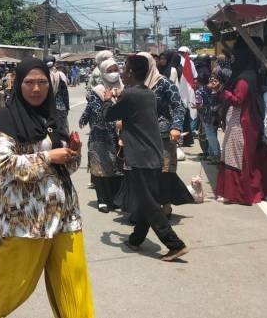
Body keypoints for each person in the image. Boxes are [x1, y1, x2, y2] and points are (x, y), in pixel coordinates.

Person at [0, 58, 93, 318]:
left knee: (74, 283)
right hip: (25, 220)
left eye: (42, 82)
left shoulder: (53, 116)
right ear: (19, 84)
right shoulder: (6, 119)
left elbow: (67, 168)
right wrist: (50, 157)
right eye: (29, 82)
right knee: (13, 286)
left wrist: (72, 154)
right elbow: (4, 165)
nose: (36, 89)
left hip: (64, 216)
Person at [102, 55, 189, 262]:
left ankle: (175, 244)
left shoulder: (131, 95)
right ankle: (135, 239)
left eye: (124, 68)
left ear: (131, 72)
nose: (121, 71)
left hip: (140, 155)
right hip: (152, 153)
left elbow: (108, 115)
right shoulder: (147, 93)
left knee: (148, 203)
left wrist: (107, 99)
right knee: (145, 199)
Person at [135, 52, 193, 215]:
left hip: (162, 135)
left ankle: (165, 204)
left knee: (164, 172)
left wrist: (176, 127)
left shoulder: (164, 83)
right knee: (143, 173)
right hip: (139, 136)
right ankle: (145, 207)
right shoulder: (133, 84)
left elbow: (178, 106)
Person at [214, 37, 267, 205]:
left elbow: (238, 99)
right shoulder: (252, 74)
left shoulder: (244, 79)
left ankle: (241, 193)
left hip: (243, 123)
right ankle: (247, 192)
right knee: (245, 158)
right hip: (247, 121)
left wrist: (221, 90)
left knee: (238, 158)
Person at [79, 58, 124, 213]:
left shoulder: (124, 88)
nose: (113, 74)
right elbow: (96, 112)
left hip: (120, 137)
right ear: (103, 73)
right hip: (100, 136)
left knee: (117, 168)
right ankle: (103, 201)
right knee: (100, 168)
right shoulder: (98, 90)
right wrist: (85, 117)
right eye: (109, 71)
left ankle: (115, 199)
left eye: (115, 70)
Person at [195, 73, 221, 164]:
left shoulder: (200, 91)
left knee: (210, 136)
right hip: (217, 116)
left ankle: (216, 155)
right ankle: (212, 155)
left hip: (207, 116)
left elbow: (199, 104)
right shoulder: (215, 89)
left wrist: (197, 107)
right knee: (212, 135)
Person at [46, 56, 70, 135]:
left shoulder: (44, 76)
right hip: (60, 107)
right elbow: (65, 93)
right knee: (63, 129)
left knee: (51, 130)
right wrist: (67, 107)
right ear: (54, 64)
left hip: (48, 107)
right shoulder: (60, 75)